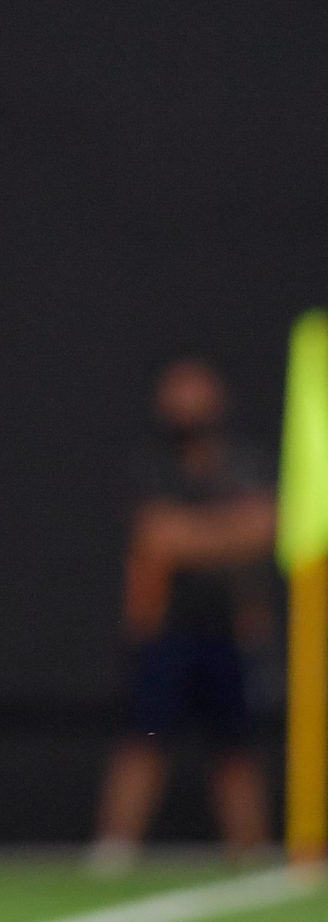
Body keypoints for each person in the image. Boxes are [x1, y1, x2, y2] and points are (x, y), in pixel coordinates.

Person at [90, 359, 276, 868]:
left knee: (236, 749)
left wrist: (197, 536)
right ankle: (114, 854)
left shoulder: (242, 461)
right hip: (164, 632)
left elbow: (264, 527)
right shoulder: (150, 464)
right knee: (143, 741)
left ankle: (252, 857)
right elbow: (158, 538)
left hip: (230, 631)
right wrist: (225, 534)